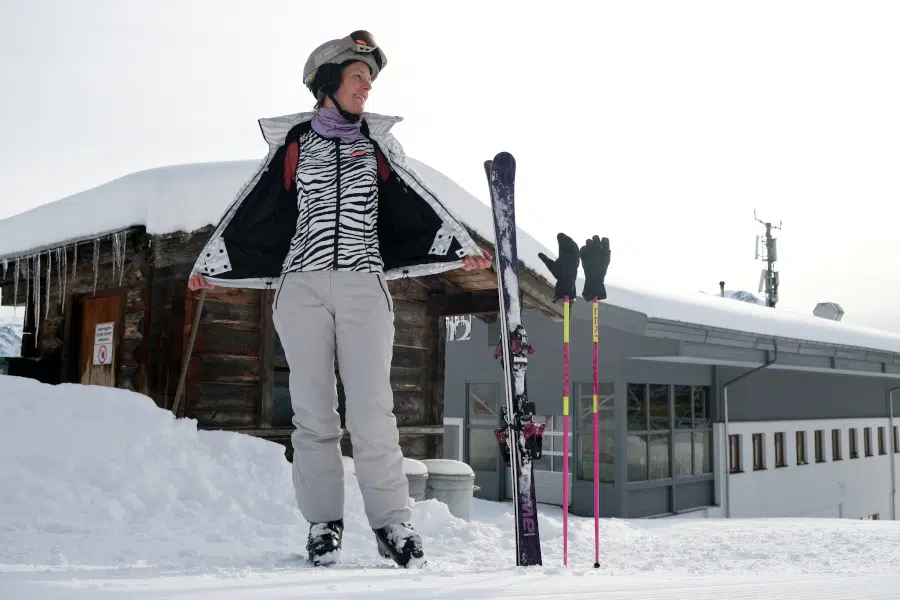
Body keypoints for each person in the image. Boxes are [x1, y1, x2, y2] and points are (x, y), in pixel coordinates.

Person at [186, 30, 491, 569]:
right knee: (312, 414)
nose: (366, 88)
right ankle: (323, 524)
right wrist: (213, 264)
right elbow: (255, 208)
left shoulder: (377, 146)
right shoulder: (294, 144)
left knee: (373, 409)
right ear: (327, 83)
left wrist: (457, 249)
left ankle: (392, 523)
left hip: (362, 285)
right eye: (357, 77)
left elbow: (414, 202)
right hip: (299, 286)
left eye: (370, 80)